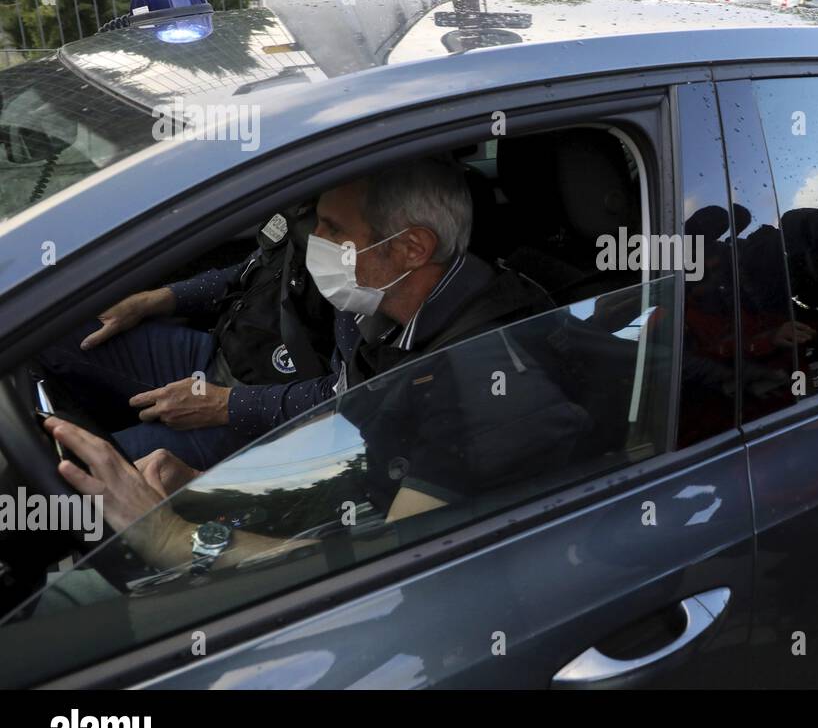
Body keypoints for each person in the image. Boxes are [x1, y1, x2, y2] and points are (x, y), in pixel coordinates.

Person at [47, 156, 585, 572]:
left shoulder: (482, 388)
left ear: (411, 248)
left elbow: (390, 567)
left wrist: (169, 535)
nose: (314, 244)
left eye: (332, 230)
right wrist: (209, 487)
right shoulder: (374, 310)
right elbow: (355, 443)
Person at [37, 203, 334, 471]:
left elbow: (343, 394)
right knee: (51, 329)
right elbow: (245, 273)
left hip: (260, 420)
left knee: (76, 467)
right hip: (211, 355)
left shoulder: (358, 259)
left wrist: (223, 404)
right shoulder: (302, 204)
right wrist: (149, 301)